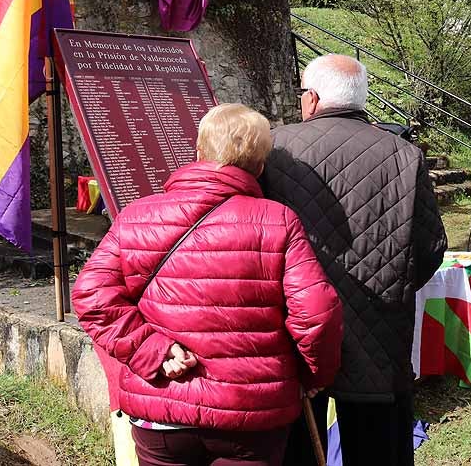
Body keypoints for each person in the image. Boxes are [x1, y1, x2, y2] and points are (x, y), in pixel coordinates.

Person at [71, 103, 343, 466]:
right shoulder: (278, 221)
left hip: (162, 405)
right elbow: (317, 313)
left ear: (198, 151)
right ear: (260, 166)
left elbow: (92, 295)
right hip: (251, 414)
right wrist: (313, 376)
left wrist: (152, 350)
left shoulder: (137, 216)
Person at [261, 54, 447, 466]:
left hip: (297, 330)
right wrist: (391, 282)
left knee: (299, 450)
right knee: (379, 450)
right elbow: (432, 247)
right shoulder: (404, 154)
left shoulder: (276, 148)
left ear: (311, 98)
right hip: (381, 328)